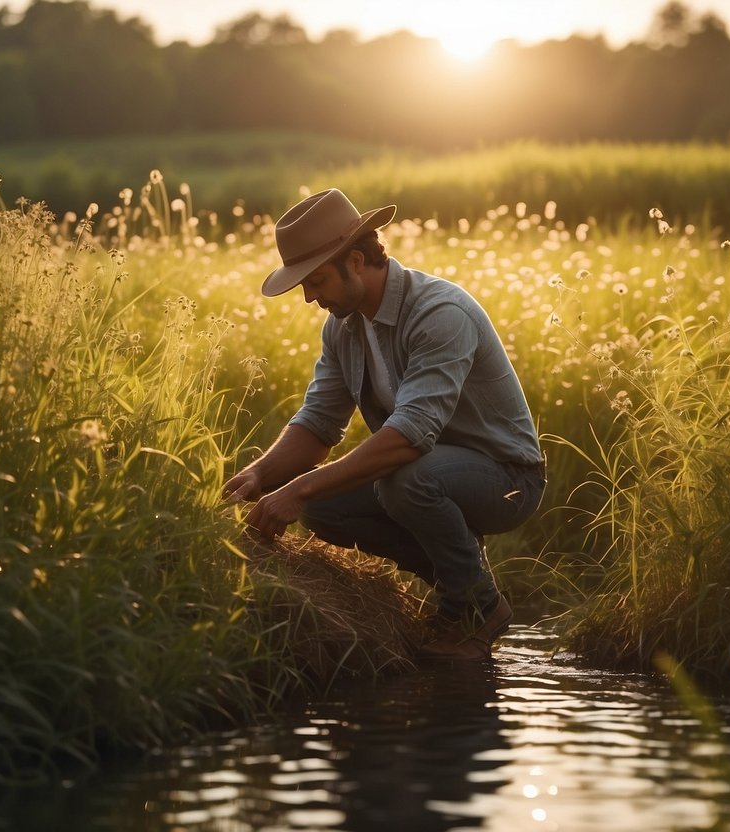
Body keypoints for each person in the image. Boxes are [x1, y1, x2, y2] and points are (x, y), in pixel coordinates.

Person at [222, 188, 545, 661]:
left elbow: (410, 436)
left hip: (508, 479)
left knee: (403, 479)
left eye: (315, 281)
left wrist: (299, 487)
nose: (310, 297)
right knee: (324, 509)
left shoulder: (440, 313)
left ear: (355, 261)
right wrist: (262, 475)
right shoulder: (342, 326)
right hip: (430, 473)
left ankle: (476, 608)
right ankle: (464, 587)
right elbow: (318, 423)